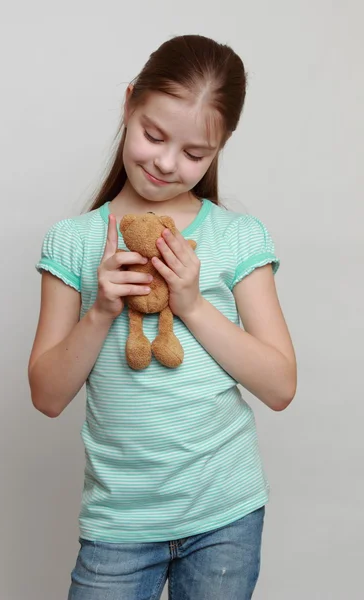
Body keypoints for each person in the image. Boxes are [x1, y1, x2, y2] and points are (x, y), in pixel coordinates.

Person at [28, 34, 297, 600]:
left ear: (221, 147)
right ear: (129, 105)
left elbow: (279, 386)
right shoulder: (74, 242)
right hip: (117, 523)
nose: (167, 163)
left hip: (226, 512)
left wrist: (192, 305)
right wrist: (101, 309)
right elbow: (47, 395)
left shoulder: (236, 237)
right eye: (153, 135)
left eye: (195, 154)